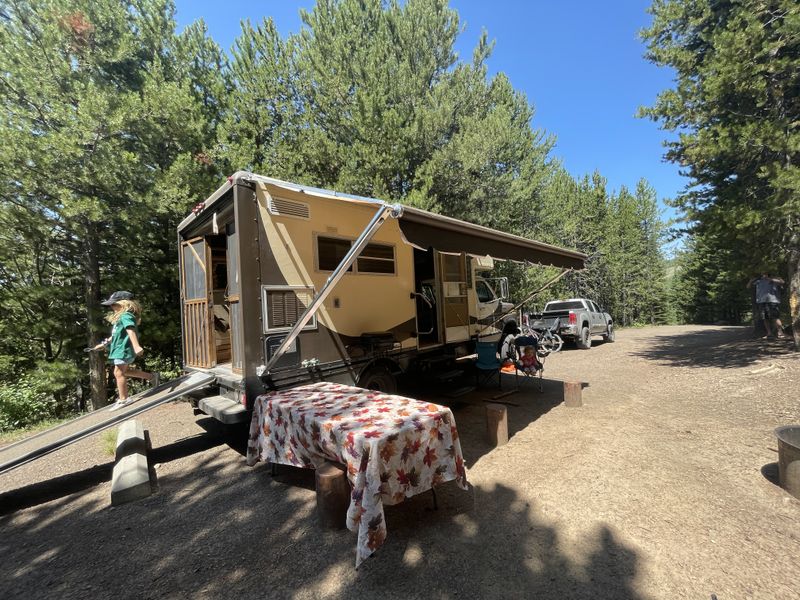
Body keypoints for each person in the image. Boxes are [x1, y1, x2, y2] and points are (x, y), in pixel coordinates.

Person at [89, 291, 160, 410]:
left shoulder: (126, 315)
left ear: (124, 303)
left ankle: (124, 399)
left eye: (114, 304)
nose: (111, 307)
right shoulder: (121, 317)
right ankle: (152, 377)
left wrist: (137, 346)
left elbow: (130, 330)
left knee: (118, 373)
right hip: (119, 348)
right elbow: (115, 335)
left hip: (124, 348)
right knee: (124, 371)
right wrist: (104, 344)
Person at [748, 273, 786, 339]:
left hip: (773, 300)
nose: (763, 274)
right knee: (765, 318)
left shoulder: (775, 278)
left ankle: (780, 332)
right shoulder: (758, 281)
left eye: (764, 273)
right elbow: (748, 286)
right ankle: (769, 333)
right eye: (762, 273)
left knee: (775, 317)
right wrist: (751, 281)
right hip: (761, 301)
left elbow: (782, 282)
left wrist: (769, 279)